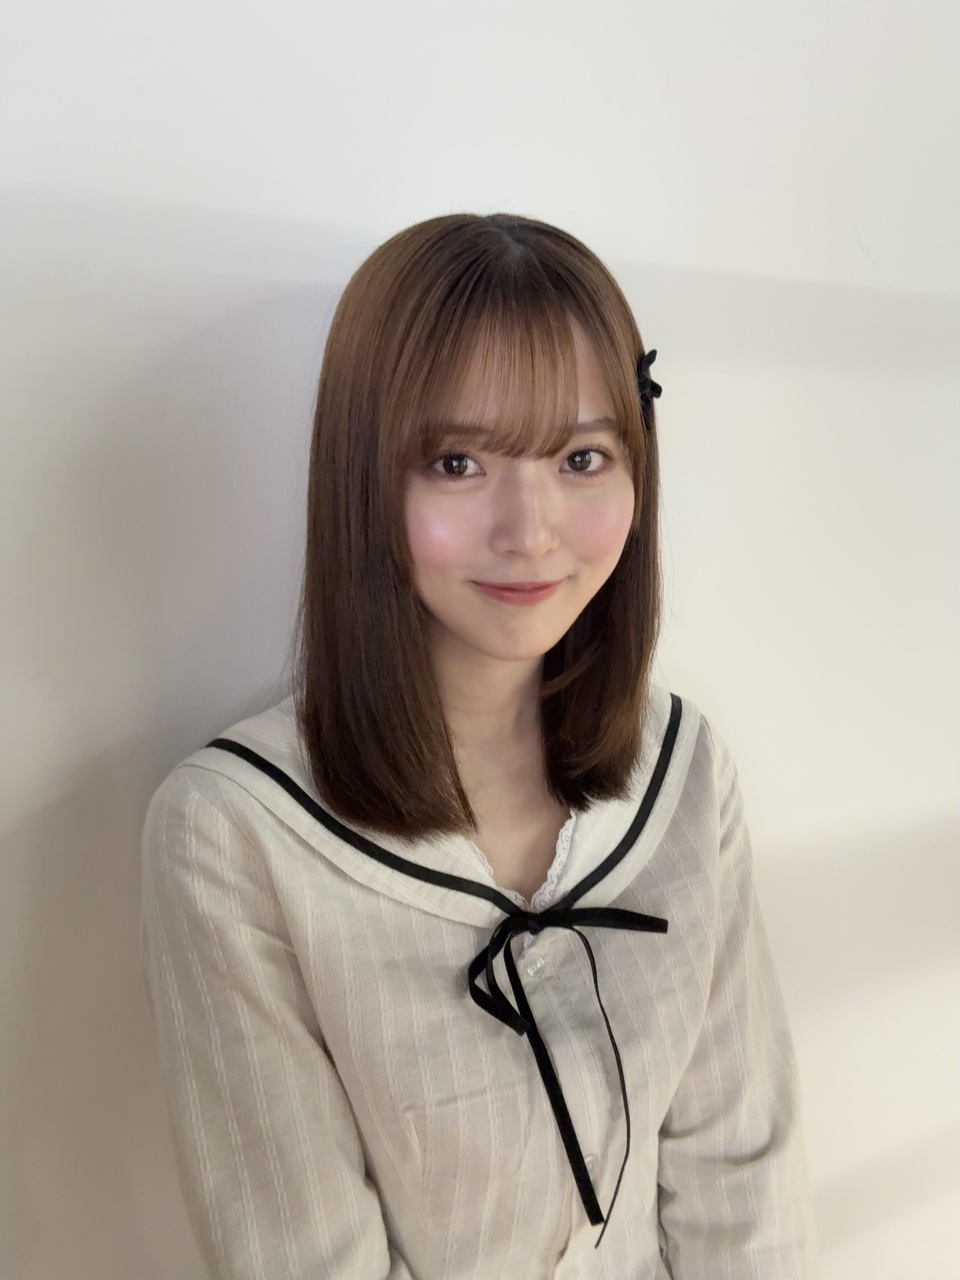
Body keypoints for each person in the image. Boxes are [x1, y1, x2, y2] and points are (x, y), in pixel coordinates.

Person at [140, 211, 819, 1280]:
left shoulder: (683, 769)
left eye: (582, 456)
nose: (531, 528)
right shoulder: (235, 831)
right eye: (458, 461)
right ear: (365, 473)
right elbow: (303, 1256)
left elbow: (744, 1180)